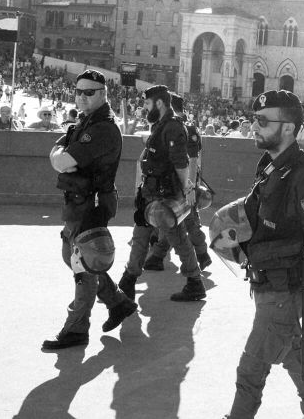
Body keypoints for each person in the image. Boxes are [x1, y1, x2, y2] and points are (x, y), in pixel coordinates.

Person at [222, 89, 304, 419]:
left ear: (287, 127)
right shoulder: (271, 168)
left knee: (250, 372)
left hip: (283, 291)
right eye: (252, 119)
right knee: (296, 360)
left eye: (261, 120)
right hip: (266, 285)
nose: (253, 126)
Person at [42, 69, 136, 350]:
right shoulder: (86, 122)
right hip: (79, 200)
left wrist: (60, 157)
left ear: (103, 95)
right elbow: (59, 157)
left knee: (82, 263)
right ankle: (118, 302)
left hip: (92, 202)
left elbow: (61, 159)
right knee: (75, 256)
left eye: (89, 92)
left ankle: (76, 329)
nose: (82, 97)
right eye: (79, 92)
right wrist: (61, 157)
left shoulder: (103, 128)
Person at [115, 85, 206, 303]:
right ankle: (127, 281)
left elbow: (181, 162)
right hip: (151, 193)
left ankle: (195, 282)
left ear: (159, 103)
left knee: (178, 238)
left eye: (147, 104)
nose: (145, 108)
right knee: (141, 236)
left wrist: (186, 189)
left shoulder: (173, 127)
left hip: (166, 194)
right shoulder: (161, 126)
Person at [143, 92, 213, 272]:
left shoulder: (182, 128)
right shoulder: (170, 126)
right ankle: (161, 257)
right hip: (176, 183)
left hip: (181, 184)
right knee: (177, 221)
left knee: (185, 221)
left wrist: (188, 188)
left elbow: (192, 159)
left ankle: (198, 258)